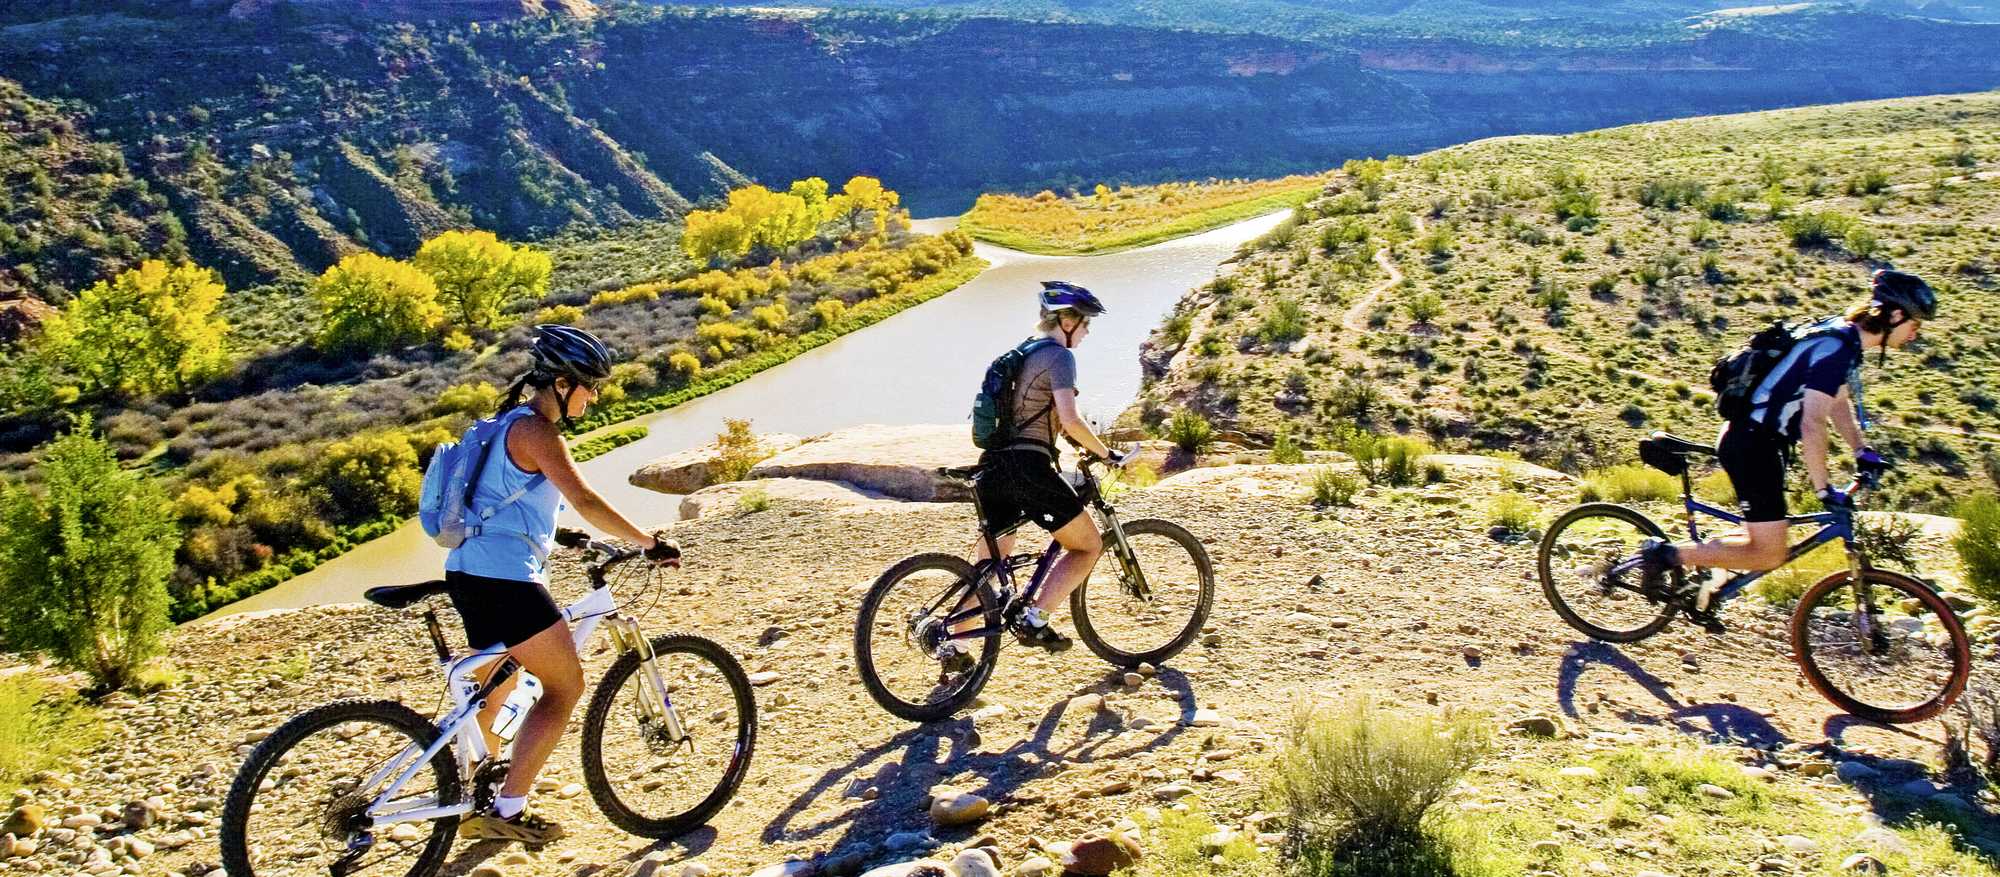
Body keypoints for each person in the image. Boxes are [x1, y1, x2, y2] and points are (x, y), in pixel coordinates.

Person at [450, 325, 679, 844]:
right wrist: (649, 542)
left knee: (498, 683)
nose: (594, 398)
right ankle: (508, 811)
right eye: (589, 386)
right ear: (560, 383)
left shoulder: (502, 424)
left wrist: (560, 534)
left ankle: (469, 799)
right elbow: (588, 500)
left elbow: (504, 500)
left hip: (468, 572)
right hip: (507, 580)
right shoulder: (538, 431)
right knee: (565, 686)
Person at [1640, 269, 1935, 629]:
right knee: (1769, 552)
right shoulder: (1836, 349)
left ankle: (1706, 583)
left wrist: (1862, 450)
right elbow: (1813, 423)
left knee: (1766, 541)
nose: (1916, 334)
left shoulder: (1841, 339)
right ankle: (1664, 555)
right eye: (1916, 324)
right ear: (1895, 316)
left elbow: (1838, 404)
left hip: (1763, 443)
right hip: (1752, 444)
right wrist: (1823, 488)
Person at [942, 281, 1130, 666]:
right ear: (1066, 320)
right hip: (1027, 469)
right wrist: (1106, 453)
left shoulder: (1023, 354)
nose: (1088, 330)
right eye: (1086, 322)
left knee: (990, 567)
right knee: (1087, 545)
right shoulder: (1059, 357)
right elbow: (1070, 419)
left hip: (993, 467)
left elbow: (1041, 418)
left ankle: (956, 648)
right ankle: (1034, 618)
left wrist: (1069, 442)